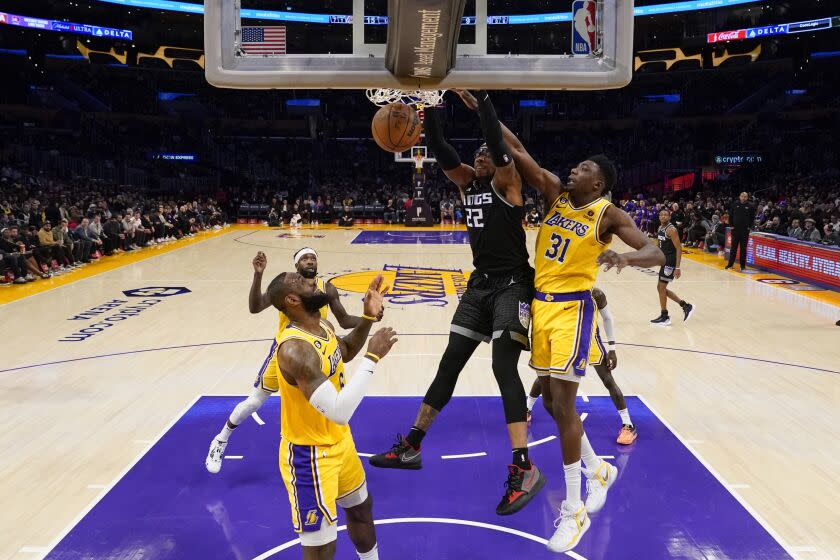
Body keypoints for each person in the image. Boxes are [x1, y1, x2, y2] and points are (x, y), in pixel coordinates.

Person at [465, 89, 664, 552]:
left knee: (565, 407)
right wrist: (482, 108)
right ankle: (599, 468)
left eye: (585, 169)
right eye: (575, 166)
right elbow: (515, 150)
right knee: (553, 406)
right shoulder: (555, 193)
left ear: (598, 184)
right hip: (541, 306)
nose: (574, 170)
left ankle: (573, 509)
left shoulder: (606, 213)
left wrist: (627, 261)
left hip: (573, 310)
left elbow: (653, 248)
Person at [369, 92, 546, 517]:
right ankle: (411, 445)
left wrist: (482, 101)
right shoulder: (467, 181)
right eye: (478, 154)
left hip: (513, 285)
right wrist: (430, 107)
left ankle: (523, 467)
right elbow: (443, 148)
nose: (481, 155)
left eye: (488, 152)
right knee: (448, 365)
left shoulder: (508, 184)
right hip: (479, 285)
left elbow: (495, 141)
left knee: (503, 365)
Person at [206, 248, 377, 473]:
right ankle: (221, 439)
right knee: (254, 401)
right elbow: (255, 307)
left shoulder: (326, 289)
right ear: (296, 268)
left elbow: (344, 321)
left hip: (320, 350)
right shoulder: (286, 289)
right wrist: (258, 275)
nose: (309, 261)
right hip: (288, 353)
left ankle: (330, 452)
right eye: (304, 258)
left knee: (324, 408)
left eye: (313, 257)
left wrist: (370, 315)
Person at [271, 270, 396, 560]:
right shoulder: (294, 350)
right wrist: (373, 357)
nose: (312, 281)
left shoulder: (322, 325)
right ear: (292, 299)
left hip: (340, 442)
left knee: (361, 508)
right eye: (302, 283)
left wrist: (366, 317)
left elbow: (347, 349)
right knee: (322, 548)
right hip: (310, 456)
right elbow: (340, 411)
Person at [526, 287, 637, 445]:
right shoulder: (561, 290)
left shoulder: (596, 294)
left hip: (590, 341)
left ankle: (628, 424)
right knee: (546, 376)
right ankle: (527, 408)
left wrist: (612, 348)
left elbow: (608, 318)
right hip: (567, 339)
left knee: (607, 380)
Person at [651, 209, 695, 326]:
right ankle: (685, 306)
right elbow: (659, 244)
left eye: (666, 215)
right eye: (661, 215)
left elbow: (679, 248)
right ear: (659, 217)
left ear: (669, 217)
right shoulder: (660, 228)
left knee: (661, 288)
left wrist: (678, 267)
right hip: (664, 260)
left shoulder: (671, 230)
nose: (663, 216)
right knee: (661, 288)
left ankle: (665, 316)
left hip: (670, 262)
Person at [726, 191, 755, 271]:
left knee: (743, 249)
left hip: (745, 231)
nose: (743, 198)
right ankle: (730, 264)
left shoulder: (751, 206)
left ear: (747, 197)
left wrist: (750, 226)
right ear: (739, 196)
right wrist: (731, 225)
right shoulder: (735, 204)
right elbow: (730, 215)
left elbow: (752, 217)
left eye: (745, 196)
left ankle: (742, 266)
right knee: (733, 248)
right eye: (742, 196)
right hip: (735, 230)